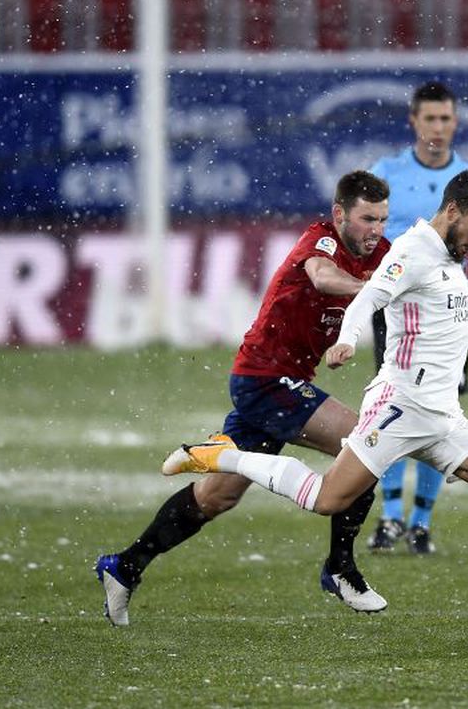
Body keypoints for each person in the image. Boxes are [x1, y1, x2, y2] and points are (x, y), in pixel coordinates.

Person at [163, 171, 468, 607]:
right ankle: (221, 456)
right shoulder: (412, 251)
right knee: (327, 498)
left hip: (443, 418)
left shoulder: (447, 254)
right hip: (398, 407)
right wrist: (348, 341)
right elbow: (371, 296)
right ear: (453, 210)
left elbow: (439, 288)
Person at [95, 170, 392, 626]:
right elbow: (323, 277)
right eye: (367, 218)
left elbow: (405, 287)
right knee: (365, 444)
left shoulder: (385, 255)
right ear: (340, 214)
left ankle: (125, 566)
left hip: (279, 382)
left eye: (382, 220)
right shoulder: (322, 241)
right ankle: (340, 567)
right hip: (264, 379)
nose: (376, 229)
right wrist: (376, 290)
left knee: (215, 497)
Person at [367, 81, 468, 556]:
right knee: (395, 404)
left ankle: (420, 523)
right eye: (430, 119)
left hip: (452, 310)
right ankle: (391, 516)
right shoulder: (386, 173)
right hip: (400, 309)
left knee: (442, 411)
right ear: (414, 123)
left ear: (455, 123)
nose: (438, 127)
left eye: (446, 119)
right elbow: (367, 233)